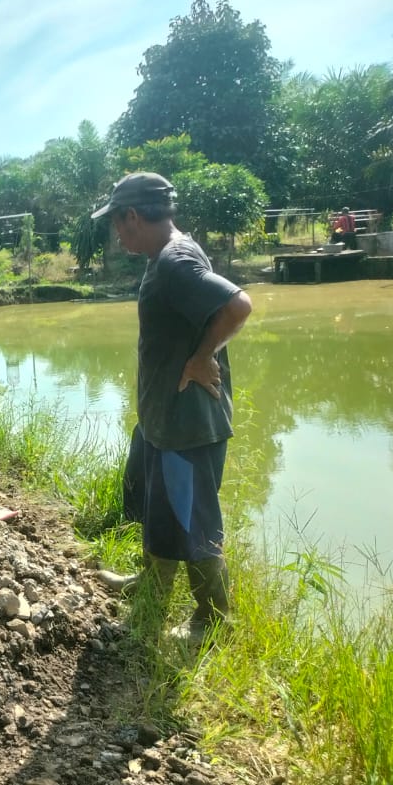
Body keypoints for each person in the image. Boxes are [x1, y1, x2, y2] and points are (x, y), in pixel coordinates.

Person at [90, 172, 252, 644]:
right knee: (160, 509)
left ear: (133, 216)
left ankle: (213, 620)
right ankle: (154, 586)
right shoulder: (164, 254)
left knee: (193, 518)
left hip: (187, 424)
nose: (116, 233)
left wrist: (202, 358)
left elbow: (238, 305)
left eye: (117, 224)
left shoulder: (175, 261)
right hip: (163, 417)